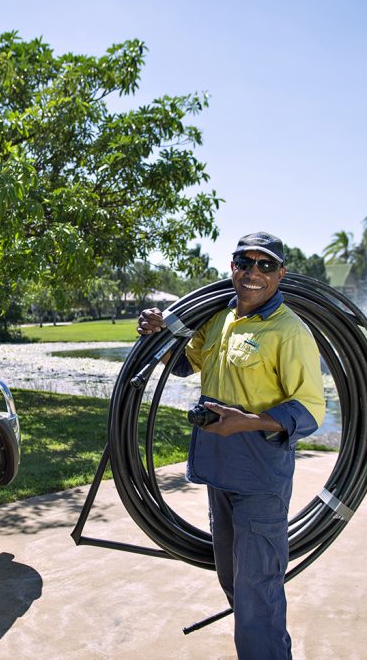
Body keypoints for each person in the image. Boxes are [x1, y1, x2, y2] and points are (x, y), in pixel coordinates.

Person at [137, 232, 325, 660]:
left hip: (260, 478)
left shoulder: (289, 331)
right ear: (232, 267)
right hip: (218, 470)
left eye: (266, 264)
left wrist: (248, 423)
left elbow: (310, 409)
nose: (254, 272)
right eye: (245, 262)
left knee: (257, 593)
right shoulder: (219, 319)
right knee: (233, 580)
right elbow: (185, 363)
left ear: (281, 273)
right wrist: (159, 334)